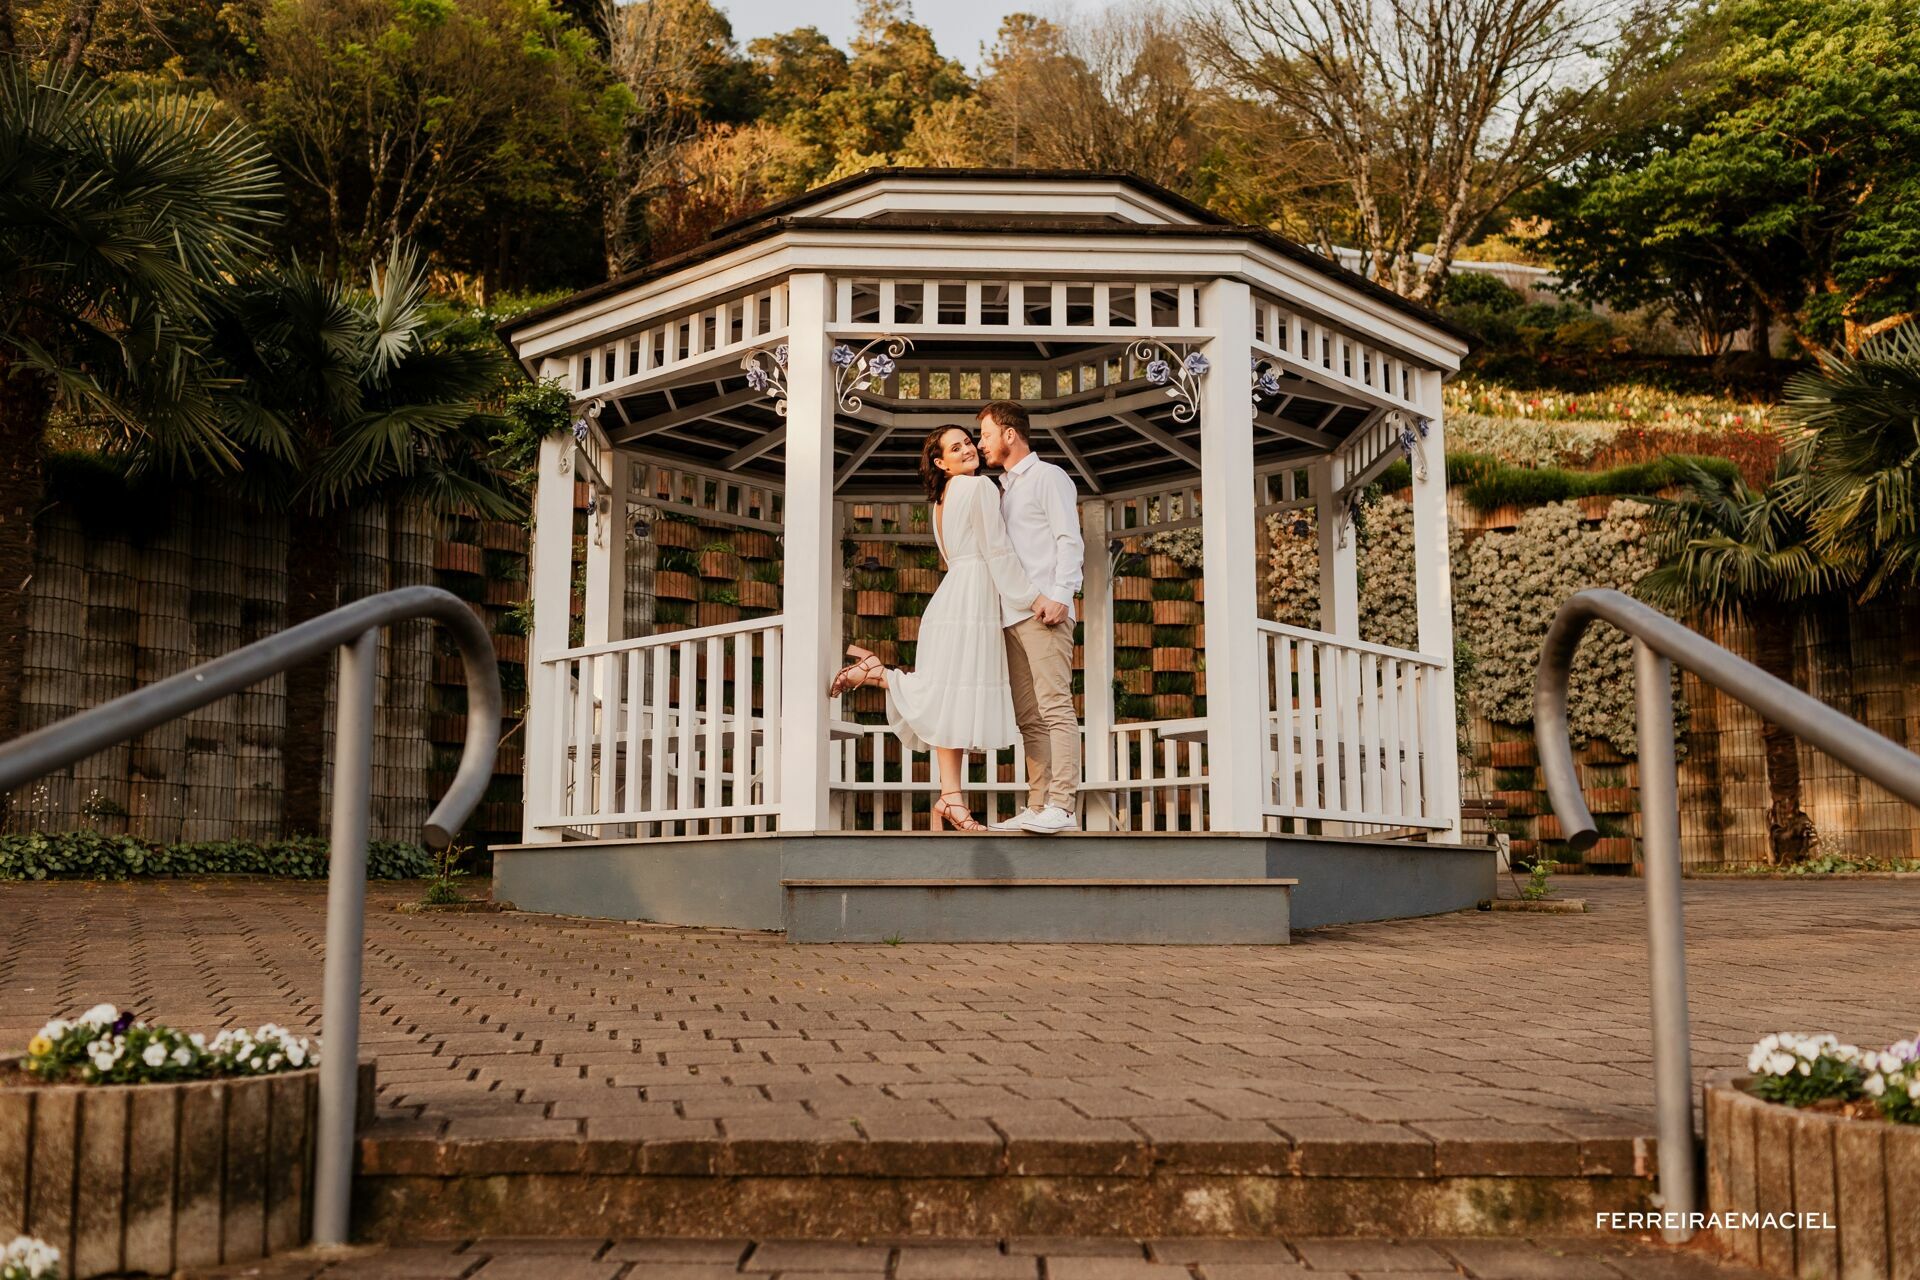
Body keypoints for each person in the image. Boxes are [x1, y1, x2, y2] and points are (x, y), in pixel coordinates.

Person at [826, 425, 1043, 832]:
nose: (968, 450)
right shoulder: (978, 488)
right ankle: (876, 674)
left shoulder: (941, 500)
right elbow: (997, 551)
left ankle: (951, 797)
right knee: (949, 695)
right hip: (971, 603)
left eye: (968, 442)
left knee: (950, 699)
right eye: (955, 448)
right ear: (941, 463)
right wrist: (1032, 598)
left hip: (952, 599)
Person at [976, 400, 1084, 835]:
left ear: (1009, 433)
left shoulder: (1048, 477)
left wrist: (1061, 595)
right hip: (1011, 617)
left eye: (985, 435)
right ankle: (1039, 805)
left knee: (1055, 707)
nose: (980, 444)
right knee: (1029, 717)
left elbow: (1069, 539)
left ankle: (1063, 805)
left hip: (1046, 614)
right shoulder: (1003, 490)